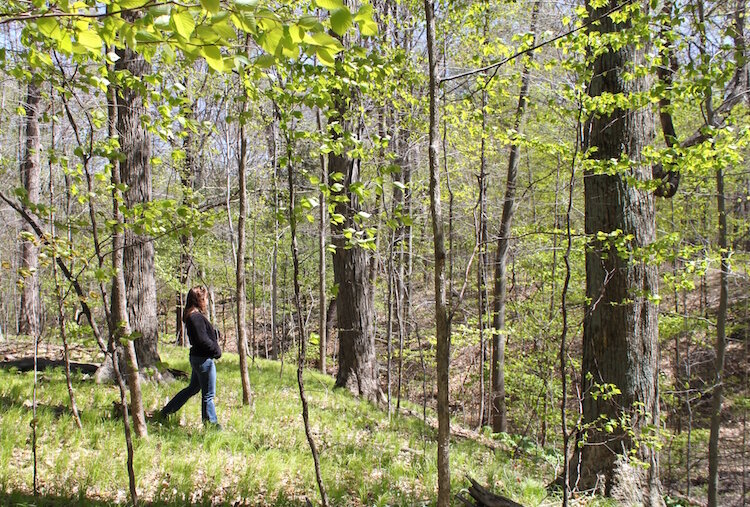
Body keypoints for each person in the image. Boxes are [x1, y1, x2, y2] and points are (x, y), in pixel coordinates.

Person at [160, 286, 222, 428]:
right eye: (205, 299)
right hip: (203, 360)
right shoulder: (195, 317)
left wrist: (213, 334)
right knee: (208, 395)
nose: (206, 301)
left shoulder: (192, 316)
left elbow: (201, 336)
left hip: (197, 358)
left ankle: (167, 411)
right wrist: (216, 350)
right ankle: (211, 426)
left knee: (193, 388)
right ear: (199, 299)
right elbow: (202, 340)